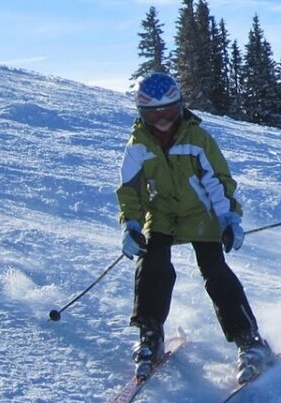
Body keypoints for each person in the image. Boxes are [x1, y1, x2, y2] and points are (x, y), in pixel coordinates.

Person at [116, 71, 271, 383]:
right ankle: (150, 334)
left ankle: (249, 340)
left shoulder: (197, 139)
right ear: (141, 114)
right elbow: (131, 190)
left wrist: (228, 218)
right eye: (153, 114)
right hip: (162, 215)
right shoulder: (138, 145)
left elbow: (218, 181)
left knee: (214, 269)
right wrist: (132, 225)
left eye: (169, 113)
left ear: (181, 108)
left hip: (201, 213)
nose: (161, 121)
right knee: (153, 264)